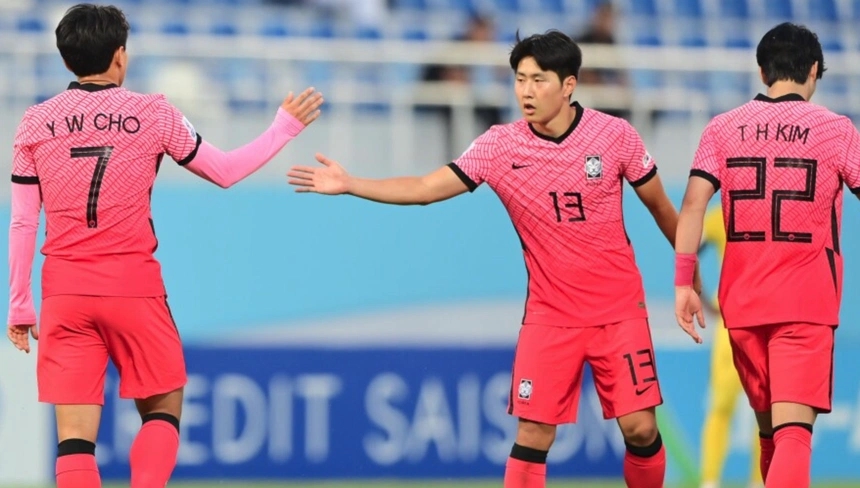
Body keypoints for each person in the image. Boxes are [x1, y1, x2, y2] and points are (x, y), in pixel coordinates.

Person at [288, 30, 700, 488]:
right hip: (550, 316)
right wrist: (352, 184)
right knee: (533, 433)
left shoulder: (615, 135)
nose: (526, 91)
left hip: (619, 311)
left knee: (640, 428)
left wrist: (689, 275)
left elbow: (663, 209)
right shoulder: (499, 146)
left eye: (538, 80)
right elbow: (424, 189)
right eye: (520, 79)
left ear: (568, 85)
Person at [6, 4, 323, 488]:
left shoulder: (34, 122)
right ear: (120, 55)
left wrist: (19, 304)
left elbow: (24, 219)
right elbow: (225, 171)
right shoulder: (153, 113)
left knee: (74, 441)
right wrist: (283, 127)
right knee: (162, 410)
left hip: (65, 292)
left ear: (66, 59)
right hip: (133, 287)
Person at [674, 22, 859, 488]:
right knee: (793, 434)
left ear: (762, 72)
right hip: (805, 303)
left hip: (743, 307)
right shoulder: (836, 130)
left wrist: (682, 283)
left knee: (769, 436)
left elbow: (693, 204)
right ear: (814, 70)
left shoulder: (722, 128)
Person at [698, 205, 763, 488]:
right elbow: (687, 250)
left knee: (765, 406)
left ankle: (759, 480)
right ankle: (711, 481)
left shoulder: (771, 209)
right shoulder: (721, 214)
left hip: (764, 320)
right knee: (723, 405)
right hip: (734, 321)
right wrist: (698, 291)